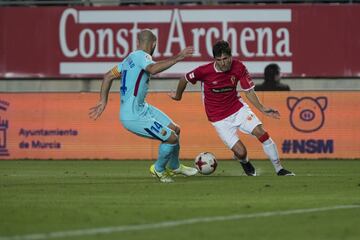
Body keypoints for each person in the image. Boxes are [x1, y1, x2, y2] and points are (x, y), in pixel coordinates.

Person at [170, 40, 294, 176]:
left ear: (231, 56)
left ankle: (279, 169)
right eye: (219, 60)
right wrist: (177, 96)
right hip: (218, 119)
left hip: (238, 109)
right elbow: (184, 79)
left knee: (261, 132)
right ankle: (245, 162)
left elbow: (248, 91)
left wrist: (262, 108)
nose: (223, 63)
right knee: (241, 152)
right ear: (214, 59)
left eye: (225, 59)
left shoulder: (239, 67)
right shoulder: (204, 71)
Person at [89, 29, 198, 183]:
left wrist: (103, 101)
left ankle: (175, 166)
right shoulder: (143, 56)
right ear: (154, 44)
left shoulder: (129, 59)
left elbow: (108, 76)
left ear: (137, 43)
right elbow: (152, 69)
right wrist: (179, 57)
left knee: (175, 129)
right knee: (171, 138)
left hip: (142, 108)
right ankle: (159, 169)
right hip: (134, 115)